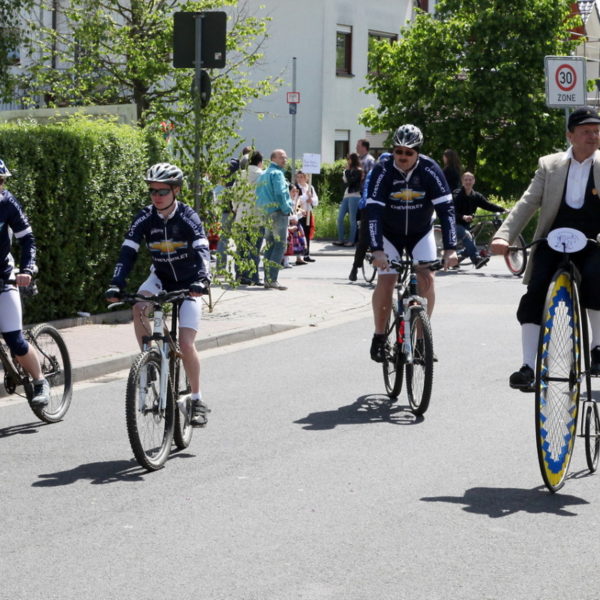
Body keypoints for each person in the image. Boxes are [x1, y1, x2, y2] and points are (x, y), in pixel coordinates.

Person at [491, 105, 600, 390]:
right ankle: (528, 366)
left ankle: (598, 348)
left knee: (596, 276)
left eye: (597, 131)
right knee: (536, 291)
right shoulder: (549, 166)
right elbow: (527, 202)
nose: (593, 136)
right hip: (555, 239)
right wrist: (504, 236)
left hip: (593, 239)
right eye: (586, 131)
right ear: (570, 136)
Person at [105, 162, 211, 427]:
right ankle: (149, 361)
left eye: (162, 191)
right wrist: (116, 283)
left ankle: (197, 400)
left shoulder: (188, 217)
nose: (156, 196)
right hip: (160, 278)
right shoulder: (145, 217)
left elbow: (202, 250)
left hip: (189, 283)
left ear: (175, 190)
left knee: (186, 344)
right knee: (139, 307)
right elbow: (127, 252)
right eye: (152, 191)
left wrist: (202, 279)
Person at [365, 124, 458, 362]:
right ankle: (378, 337)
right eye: (399, 151)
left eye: (409, 152)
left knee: (427, 278)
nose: (403, 157)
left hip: (420, 232)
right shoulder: (382, 170)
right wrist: (376, 250)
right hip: (389, 233)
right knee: (387, 279)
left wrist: (450, 248)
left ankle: (420, 341)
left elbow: (446, 210)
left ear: (417, 153)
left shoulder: (430, 169)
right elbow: (373, 212)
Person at [0, 159, 50, 406]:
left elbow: (27, 238)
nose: (0, 186)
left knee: (15, 340)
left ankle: (40, 381)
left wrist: (27, 269)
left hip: (3, 278)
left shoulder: (7, 202)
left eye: (1, 181)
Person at [256, 149, 298, 290]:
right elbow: (280, 193)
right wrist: (287, 209)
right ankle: (272, 279)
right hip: (278, 212)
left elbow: (258, 194)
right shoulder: (277, 173)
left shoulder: (263, 174)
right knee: (279, 245)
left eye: (286, 157)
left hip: (265, 213)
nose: (285, 160)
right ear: (273, 158)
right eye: (282, 157)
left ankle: (268, 279)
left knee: (270, 245)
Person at [349, 152, 391, 281]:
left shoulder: (393, 173)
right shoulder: (374, 173)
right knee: (364, 239)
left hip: (385, 208)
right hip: (368, 206)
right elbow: (367, 190)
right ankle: (354, 269)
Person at [453, 171, 505, 269]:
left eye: (470, 180)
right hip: (454, 224)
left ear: (474, 181)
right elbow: (451, 212)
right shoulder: (457, 195)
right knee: (468, 236)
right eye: (466, 180)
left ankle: (456, 258)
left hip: (466, 225)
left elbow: (488, 205)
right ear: (462, 182)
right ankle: (477, 260)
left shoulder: (476, 196)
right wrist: (463, 216)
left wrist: (503, 209)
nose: (468, 182)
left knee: (471, 243)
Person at [234, 150, 265, 285]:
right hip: (257, 216)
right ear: (260, 162)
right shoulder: (263, 176)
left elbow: (235, 196)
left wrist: (236, 209)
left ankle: (240, 276)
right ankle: (253, 277)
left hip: (242, 215)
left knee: (241, 248)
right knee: (254, 249)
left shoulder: (240, 175)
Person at [334, 153, 363, 247]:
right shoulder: (349, 170)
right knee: (340, 218)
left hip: (354, 195)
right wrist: (346, 172)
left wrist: (346, 171)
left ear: (353, 160)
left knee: (352, 219)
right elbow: (345, 183)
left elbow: (351, 182)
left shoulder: (358, 170)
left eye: (349, 159)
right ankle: (341, 239)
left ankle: (351, 241)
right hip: (346, 195)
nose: (348, 161)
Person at [294, 170, 318, 262]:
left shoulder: (310, 187)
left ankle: (306, 254)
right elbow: (296, 200)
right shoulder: (296, 188)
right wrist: (305, 196)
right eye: (298, 177)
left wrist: (311, 199)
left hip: (308, 213)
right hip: (300, 214)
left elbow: (316, 200)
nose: (299, 179)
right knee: (300, 234)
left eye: (302, 177)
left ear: (306, 178)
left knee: (307, 234)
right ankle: (298, 256)